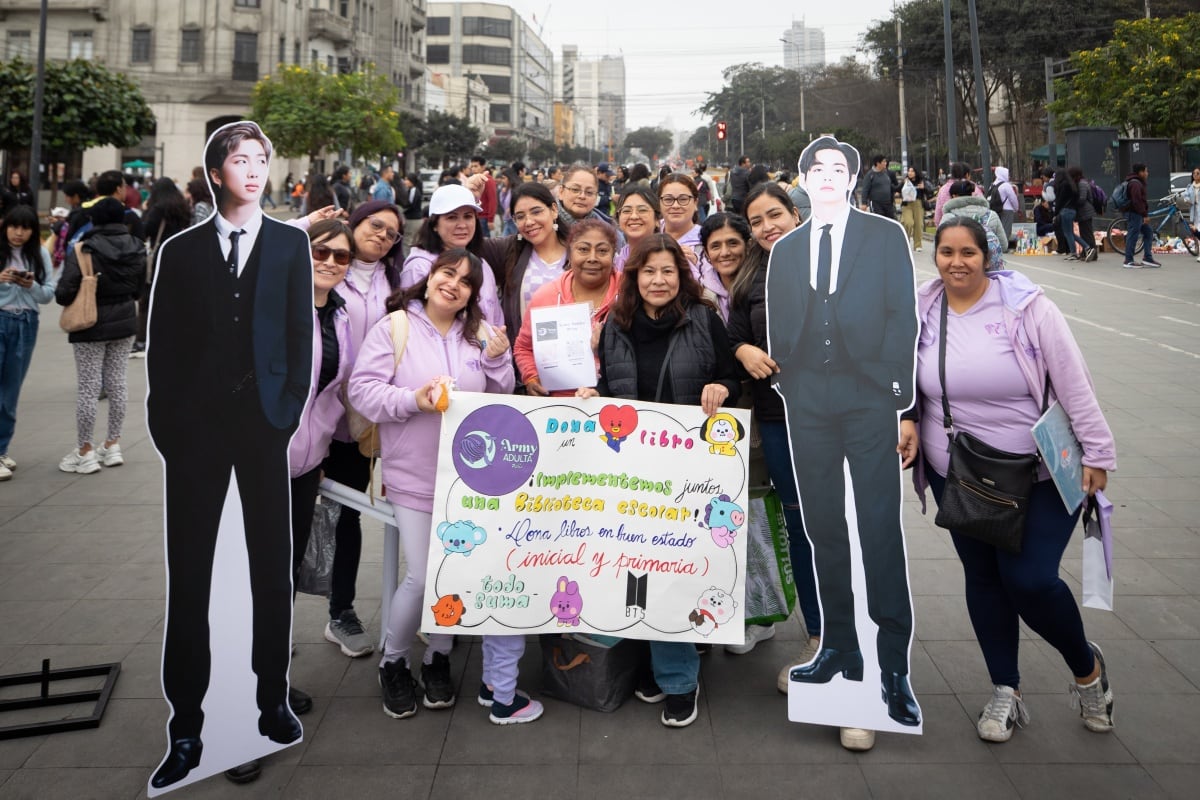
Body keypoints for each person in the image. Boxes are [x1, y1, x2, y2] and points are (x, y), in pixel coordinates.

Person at [902, 217, 1117, 743]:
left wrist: (1099, 452)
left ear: (988, 255)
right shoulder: (923, 309)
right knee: (985, 580)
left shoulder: (1027, 308)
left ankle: (1087, 670)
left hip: (1039, 473)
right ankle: (1005, 689)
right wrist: (907, 416)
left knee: (1030, 580)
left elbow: (1074, 382)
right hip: (962, 474)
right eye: (946, 251)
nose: (956, 262)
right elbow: (904, 376)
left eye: (968, 253)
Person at [147, 122, 312, 790]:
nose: (253, 169)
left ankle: (269, 700)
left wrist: (287, 410)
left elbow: (300, 335)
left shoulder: (290, 245)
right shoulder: (182, 253)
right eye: (240, 160)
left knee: (271, 571)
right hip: (196, 432)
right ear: (216, 172)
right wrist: (172, 428)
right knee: (192, 578)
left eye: (261, 159)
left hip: (264, 426)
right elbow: (162, 349)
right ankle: (187, 724)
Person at [769, 136, 920, 748]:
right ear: (803, 178)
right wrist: (791, 382)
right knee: (824, 524)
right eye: (817, 169)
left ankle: (893, 668)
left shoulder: (885, 237)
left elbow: (901, 314)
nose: (827, 176)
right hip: (808, 399)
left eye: (839, 169)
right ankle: (837, 646)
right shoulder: (787, 248)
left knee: (880, 525)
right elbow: (782, 317)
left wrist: (893, 390)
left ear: (852, 179)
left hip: (867, 397)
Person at [349, 249, 542, 724]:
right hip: (412, 475)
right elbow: (362, 390)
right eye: (447, 273)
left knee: (455, 573)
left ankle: (438, 656)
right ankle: (393, 661)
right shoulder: (394, 327)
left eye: (466, 281)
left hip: (469, 480)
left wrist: (497, 363)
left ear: (476, 294)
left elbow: (498, 401)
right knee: (420, 575)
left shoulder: (478, 335)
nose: (453, 284)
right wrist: (413, 399)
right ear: (430, 276)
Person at [577, 234, 740, 728]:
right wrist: (594, 393)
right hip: (633, 471)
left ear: (682, 276)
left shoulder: (703, 319)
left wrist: (722, 386)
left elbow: (732, 373)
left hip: (690, 472)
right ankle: (654, 662)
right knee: (635, 570)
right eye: (649, 271)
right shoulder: (614, 325)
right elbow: (613, 387)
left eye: (668, 271)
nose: (658, 280)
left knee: (674, 573)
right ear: (633, 276)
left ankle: (678, 679)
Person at [722, 184, 821, 671]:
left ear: (795, 213)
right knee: (799, 523)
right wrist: (743, 351)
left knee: (842, 525)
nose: (767, 227)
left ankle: (856, 634)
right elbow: (735, 334)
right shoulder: (751, 276)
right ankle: (820, 634)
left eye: (774, 215)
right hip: (777, 418)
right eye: (756, 221)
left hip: (834, 418)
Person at [314, 199, 405, 660]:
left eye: (391, 232)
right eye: (375, 226)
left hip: (365, 424)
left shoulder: (398, 278)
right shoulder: (327, 266)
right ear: (354, 224)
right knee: (292, 523)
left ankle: (341, 612)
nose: (382, 236)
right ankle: (269, 622)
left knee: (347, 515)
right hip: (314, 417)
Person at [55, 198, 144, 474]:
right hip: (126, 322)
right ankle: (113, 444)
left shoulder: (84, 249)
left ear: (94, 220)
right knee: (117, 383)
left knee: (89, 388)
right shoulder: (137, 247)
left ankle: (85, 451)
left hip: (89, 324)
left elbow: (63, 293)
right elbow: (139, 288)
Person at [514, 219, 619, 397]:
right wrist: (531, 377)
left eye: (602, 251)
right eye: (583, 249)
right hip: (560, 407)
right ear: (569, 253)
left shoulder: (629, 293)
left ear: (613, 255)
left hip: (615, 404)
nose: (592, 258)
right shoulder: (545, 296)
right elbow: (523, 347)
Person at [480, 181, 568, 356]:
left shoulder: (580, 250)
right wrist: (472, 197)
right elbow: (464, 243)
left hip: (575, 363)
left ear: (554, 210)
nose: (529, 222)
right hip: (525, 369)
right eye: (520, 216)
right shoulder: (507, 250)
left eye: (536, 212)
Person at [0, 206, 56, 481]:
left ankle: (1, 449)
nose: (18, 233)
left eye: (25, 228)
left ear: (33, 231)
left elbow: (48, 295)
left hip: (25, 326)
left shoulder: (40, 254)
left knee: (10, 394)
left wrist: (30, 285)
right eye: (13, 226)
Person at [400, 183, 503, 328]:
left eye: (468, 216)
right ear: (434, 224)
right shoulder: (419, 267)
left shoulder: (483, 265)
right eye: (452, 217)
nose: (462, 225)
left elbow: (496, 320)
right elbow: (415, 326)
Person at [136, 178, 192, 357]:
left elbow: (146, 230)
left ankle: (143, 339)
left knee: (148, 297)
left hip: (160, 254)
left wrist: (145, 212)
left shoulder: (158, 208)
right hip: (181, 254)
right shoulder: (182, 206)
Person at [698, 212, 750, 323]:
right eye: (715, 246)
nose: (725, 253)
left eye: (733, 243)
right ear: (706, 253)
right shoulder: (700, 297)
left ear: (748, 245)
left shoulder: (764, 286)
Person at [657, 173, 704, 279]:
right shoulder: (650, 232)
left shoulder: (706, 240)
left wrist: (697, 265)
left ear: (695, 203)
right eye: (668, 200)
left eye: (683, 199)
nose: (675, 206)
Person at [1121, 163, 1161, 269]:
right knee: (1133, 235)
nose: (1147, 173)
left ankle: (1147, 257)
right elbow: (1137, 201)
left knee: (1148, 232)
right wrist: (1144, 215)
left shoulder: (1136, 182)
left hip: (1137, 213)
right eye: (1146, 171)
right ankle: (1128, 260)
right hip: (1135, 214)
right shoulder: (1135, 184)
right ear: (1141, 172)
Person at [614, 185, 661, 272]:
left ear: (657, 219)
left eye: (642, 210)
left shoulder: (671, 258)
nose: (634, 216)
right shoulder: (614, 264)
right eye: (627, 211)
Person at [557, 164, 616, 233]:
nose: (582, 196)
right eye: (575, 190)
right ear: (561, 192)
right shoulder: (545, 226)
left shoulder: (611, 233)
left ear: (596, 197)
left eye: (589, 192)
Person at [1052, 167, 1089, 261]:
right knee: (1070, 232)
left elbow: (1059, 201)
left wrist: (1056, 213)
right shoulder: (1072, 185)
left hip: (1065, 211)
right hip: (1072, 210)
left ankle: (1074, 252)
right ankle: (1086, 247)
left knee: (1068, 233)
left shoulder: (1063, 186)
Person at [934, 161, 983, 225]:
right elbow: (982, 206)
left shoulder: (943, 189)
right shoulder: (973, 187)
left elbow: (938, 214)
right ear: (967, 175)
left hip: (949, 226)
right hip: (971, 226)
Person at [1068, 166, 1099, 263]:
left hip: (1085, 211)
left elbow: (1082, 198)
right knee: (1084, 233)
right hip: (1083, 212)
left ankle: (1092, 253)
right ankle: (1087, 252)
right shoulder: (1080, 183)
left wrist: (1073, 203)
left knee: (1087, 233)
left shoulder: (1082, 184)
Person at [860, 155, 898, 219]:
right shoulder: (870, 175)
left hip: (888, 203)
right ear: (878, 163)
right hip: (876, 204)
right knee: (879, 221)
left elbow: (890, 186)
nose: (886, 163)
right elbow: (865, 189)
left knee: (891, 221)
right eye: (884, 162)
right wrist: (864, 203)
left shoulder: (886, 173)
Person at [900, 166, 929, 252]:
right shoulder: (905, 181)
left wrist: (923, 188)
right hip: (907, 205)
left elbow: (929, 191)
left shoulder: (921, 181)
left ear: (916, 172)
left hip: (918, 203)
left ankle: (918, 245)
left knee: (919, 224)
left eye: (912, 171)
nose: (910, 173)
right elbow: (897, 189)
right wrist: (903, 185)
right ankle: (905, 241)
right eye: (909, 171)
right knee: (908, 223)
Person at [469, 156, 498, 236]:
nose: (473, 169)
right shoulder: (472, 180)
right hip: (474, 216)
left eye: (476, 166)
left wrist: (490, 220)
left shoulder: (487, 180)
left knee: (484, 244)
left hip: (484, 218)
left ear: (483, 167)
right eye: (472, 166)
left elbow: (492, 200)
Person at [993, 166, 1020, 244]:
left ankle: (997, 245)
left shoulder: (993, 184)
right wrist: (1016, 208)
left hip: (996, 209)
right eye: (1007, 174)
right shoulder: (1006, 185)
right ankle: (1004, 246)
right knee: (1006, 229)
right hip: (1007, 210)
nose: (1009, 176)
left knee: (998, 229)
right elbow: (1013, 198)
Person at [399, 172, 424, 249]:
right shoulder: (412, 190)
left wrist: (402, 212)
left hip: (413, 219)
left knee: (408, 241)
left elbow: (411, 205)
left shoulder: (413, 190)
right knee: (414, 241)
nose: (404, 181)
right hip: (415, 219)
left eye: (407, 180)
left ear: (412, 181)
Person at [1186, 166, 1200, 264]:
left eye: (1198, 173)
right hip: (1194, 212)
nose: (1195, 175)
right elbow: (1186, 196)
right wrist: (1186, 200)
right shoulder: (1190, 186)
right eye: (1194, 173)